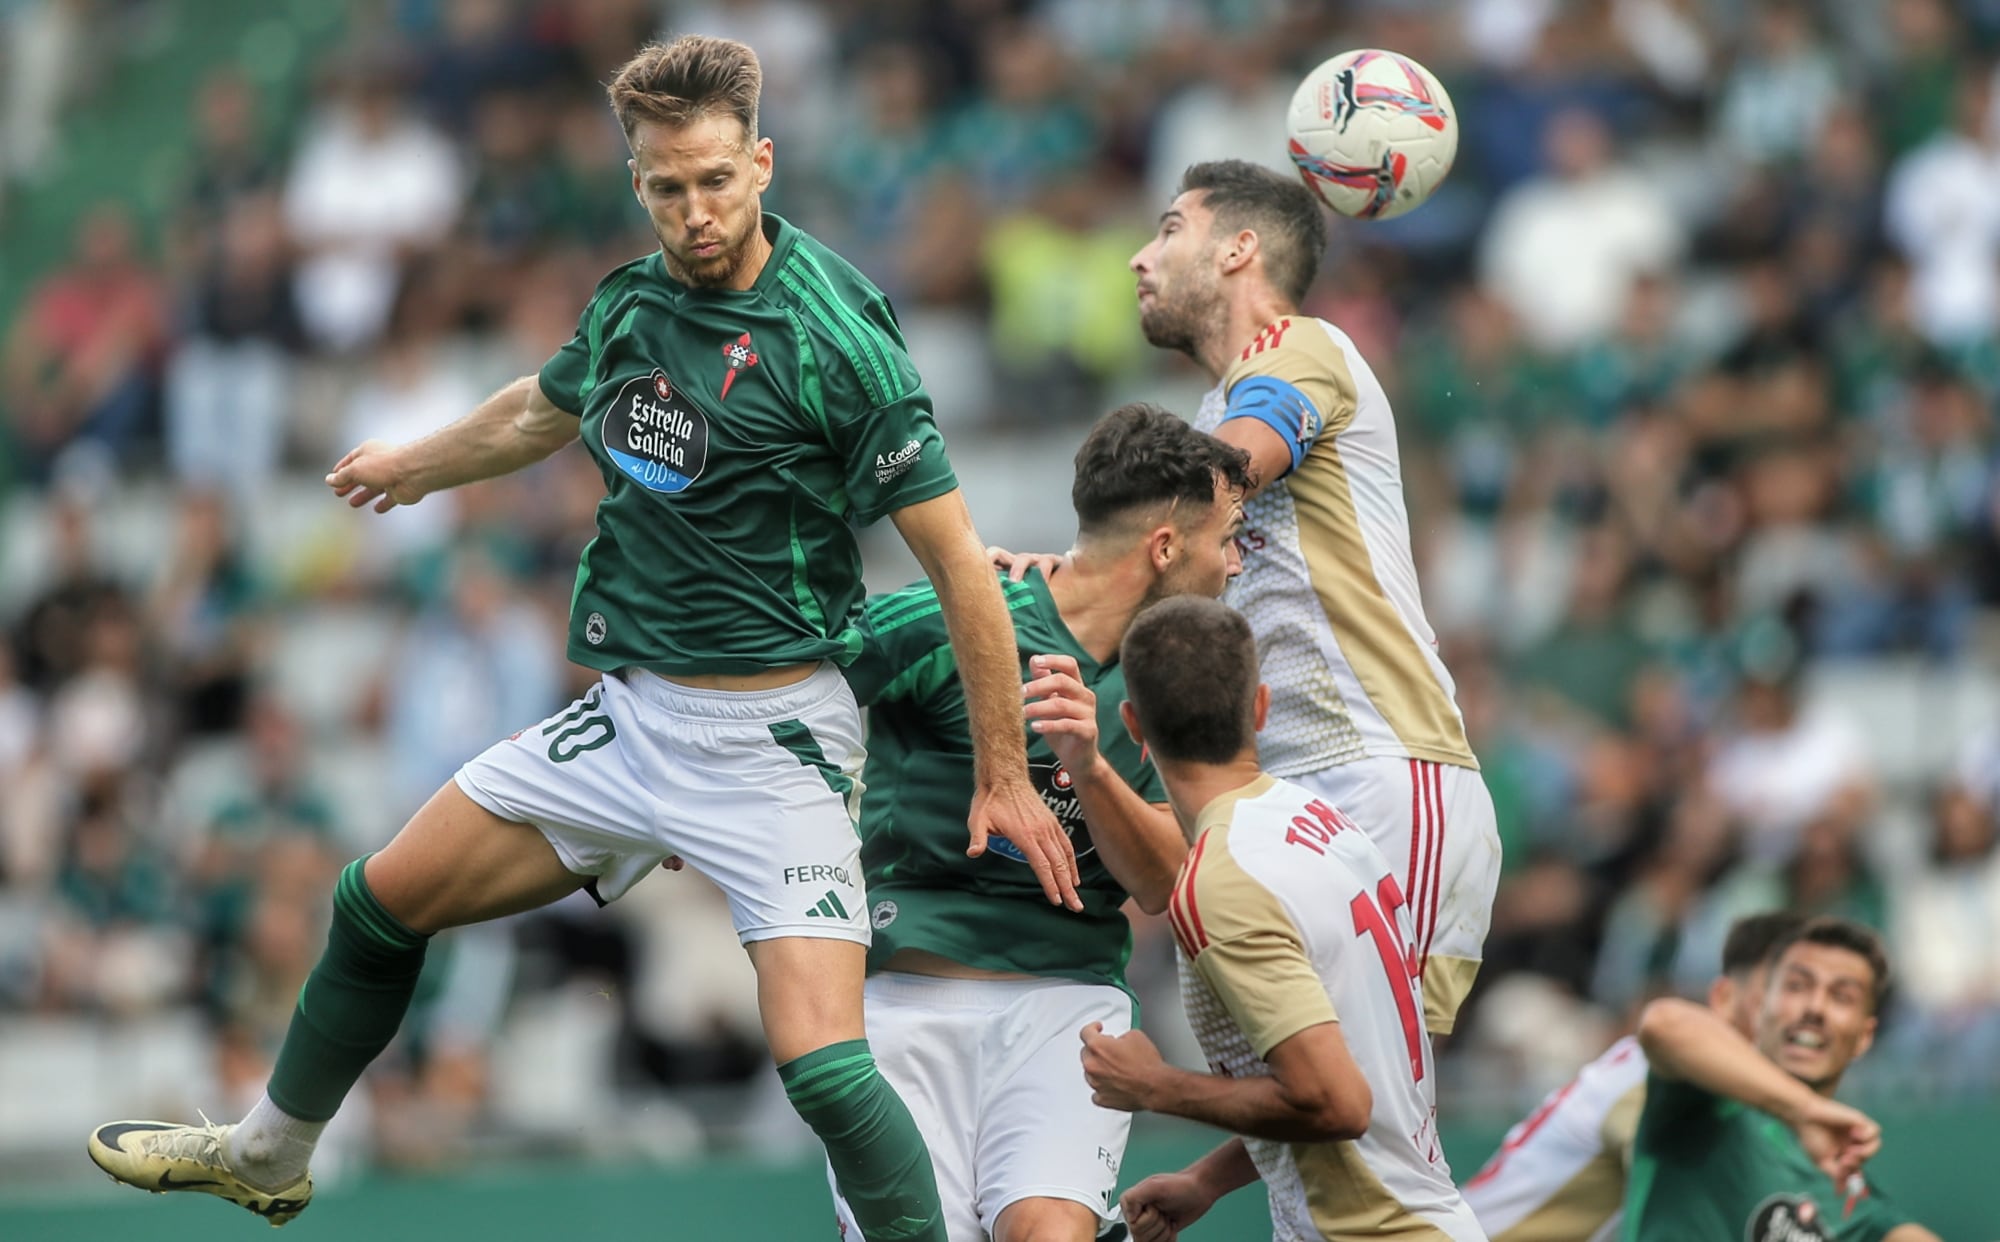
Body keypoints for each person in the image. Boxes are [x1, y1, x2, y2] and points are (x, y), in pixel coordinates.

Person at [86, 37, 1073, 1241]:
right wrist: (416, 465)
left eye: (716, 181)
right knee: (377, 902)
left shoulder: (837, 339)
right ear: (636, 183)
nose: (695, 212)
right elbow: (532, 413)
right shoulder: (630, 303)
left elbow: (961, 566)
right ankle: (265, 1154)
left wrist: (1007, 772)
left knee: (820, 1068)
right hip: (630, 722)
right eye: (667, 187)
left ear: (761, 163)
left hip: (777, 747)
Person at [1002, 160, 1499, 1035]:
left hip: (1378, 768)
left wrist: (1081, 561)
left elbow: (1220, 478)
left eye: (1167, 229)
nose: (1137, 259)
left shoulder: (1300, 347)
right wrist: (1049, 583)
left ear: (1238, 249)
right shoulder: (1217, 400)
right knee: (1316, 1105)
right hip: (1287, 797)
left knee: (1373, 1111)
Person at [829, 403, 1251, 1242]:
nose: (1237, 564)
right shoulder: (954, 613)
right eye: (1227, 537)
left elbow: (1165, 882)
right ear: (1165, 547)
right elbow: (786, 699)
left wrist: (1090, 768)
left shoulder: (1176, 681)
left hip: (1069, 1011)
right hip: (901, 1003)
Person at [1080, 596, 1482, 1241]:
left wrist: (1154, 1086)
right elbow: (1346, 1071)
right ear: (1260, 707)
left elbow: (1336, 1102)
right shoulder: (1320, 823)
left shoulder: (1221, 882)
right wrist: (1207, 1180)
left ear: (1132, 725)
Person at [1462, 910, 1805, 1242]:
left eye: (1836, 994)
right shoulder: (1656, 1074)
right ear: (1725, 997)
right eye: (1789, 985)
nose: (1807, 1010)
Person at [1626, 917, 1942, 1242]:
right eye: (1797, 986)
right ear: (1760, 1007)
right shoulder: (1705, 1094)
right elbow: (1662, 1024)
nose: (1815, 1008)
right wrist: (1802, 1109)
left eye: (1842, 997)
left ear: (1865, 1036)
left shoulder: (1852, 1197)